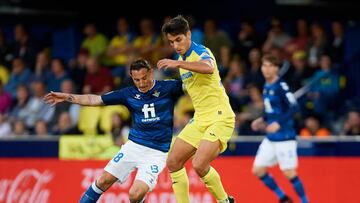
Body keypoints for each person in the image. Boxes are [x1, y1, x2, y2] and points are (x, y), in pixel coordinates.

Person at [44, 59, 183, 203]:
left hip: (157, 153)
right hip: (134, 146)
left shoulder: (169, 87)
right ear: (131, 77)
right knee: (103, 181)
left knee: (135, 195)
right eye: (136, 80)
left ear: (151, 73)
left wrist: (185, 65)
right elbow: (94, 100)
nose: (141, 83)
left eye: (144, 78)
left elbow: (194, 87)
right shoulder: (128, 94)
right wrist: (67, 97)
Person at [157, 15, 235, 203]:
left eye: (179, 39)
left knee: (199, 165)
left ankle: (225, 201)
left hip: (220, 117)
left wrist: (179, 63)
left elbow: (208, 67)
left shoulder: (201, 52)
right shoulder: (182, 61)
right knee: (173, 162)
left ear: (189, 35)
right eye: (171, 42)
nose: (175, 45)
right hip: (200, 119)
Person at [251, 54, 309, 203]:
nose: (266, 69)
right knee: (258, 170)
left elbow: (294, 107)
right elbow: (272, 109)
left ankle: (305, 201)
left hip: (285, 137)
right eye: (264, 65)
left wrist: (279, 123)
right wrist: (262, 119)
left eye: (270, 66)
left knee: (289, 172)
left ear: (276, 68)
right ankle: (283, 198)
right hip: (271, 139)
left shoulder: (281, 86)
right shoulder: (266, 86)